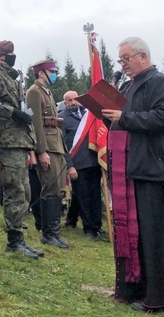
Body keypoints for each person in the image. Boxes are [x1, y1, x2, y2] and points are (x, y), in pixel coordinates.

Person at [102, 37, 164, 312]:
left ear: (142, 57)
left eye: (126, 59)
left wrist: (123, 118)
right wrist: (105, 112)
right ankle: (140, 287)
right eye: (120, 60)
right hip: (135, 169)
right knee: (141, 235)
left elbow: (162, 118)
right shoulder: (128, 86)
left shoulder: (159, 82)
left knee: (159, 236)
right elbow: (123, 119)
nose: (122, 65)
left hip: (155, 170)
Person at [0, 40, 42, 259]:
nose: (12, 56)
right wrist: (12, 112)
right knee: (14, 189)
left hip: (19, 140)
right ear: (0, 57)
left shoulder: (11, 78)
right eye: (9, 54)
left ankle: (19, 237)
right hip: (7, 140)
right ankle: (13, 241)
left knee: (23, 190)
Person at [26, 58, 77, 249]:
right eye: (52, 71)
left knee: (57, 190)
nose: (54, 74)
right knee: (50, 189)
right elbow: (35, 123)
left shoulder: (46, 92)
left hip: (56, 145)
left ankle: (54, 232)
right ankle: (49, 234)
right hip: (47, 146)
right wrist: (41, 151)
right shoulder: (34, 93)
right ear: (41, 73)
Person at [60, 90, 106, 241]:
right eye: (69, 100)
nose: (73, 102)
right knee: (83, 196)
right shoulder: (63, 118)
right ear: (65, 103)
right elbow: (63, 145)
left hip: (93, 162)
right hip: (77, 164)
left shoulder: (89, 115)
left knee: (95, 196)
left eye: (76, 99)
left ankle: (97, 227)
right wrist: (69, 166)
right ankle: (88, 228)